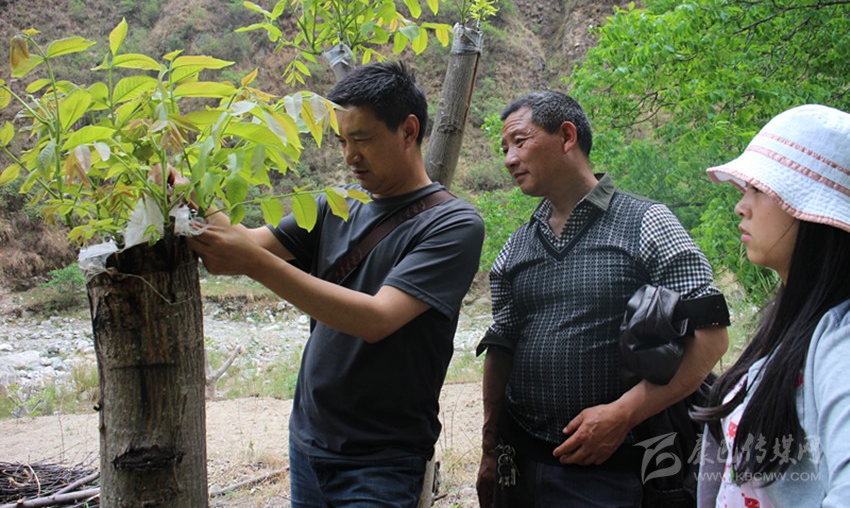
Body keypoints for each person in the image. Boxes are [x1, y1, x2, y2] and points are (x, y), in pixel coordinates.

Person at [186, 61, 485, 507]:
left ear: (408, 131)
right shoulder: (339, 203)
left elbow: (377, 319)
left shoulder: (452, 224)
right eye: (342, 141)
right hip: (308, 443)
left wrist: (252, 263)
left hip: (381, 461)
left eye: (362, 139)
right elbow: (243, 245)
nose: (349, 156)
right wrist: (188, 193)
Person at [475, 91, 729, 507]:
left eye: (519, 142)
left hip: (615, 472)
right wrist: (490, 451)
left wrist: (623, 414)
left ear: (567, 136)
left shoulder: (646, 222)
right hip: (520, 466)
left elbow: (712, 335)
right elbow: (502, 347)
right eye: (504, 149)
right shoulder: (516, 246)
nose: (509, 159)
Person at [695, 104, 850, 507]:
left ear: (812, 211)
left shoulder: (841, 340)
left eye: (758, 190)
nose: (740, 206)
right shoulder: (793, 323)